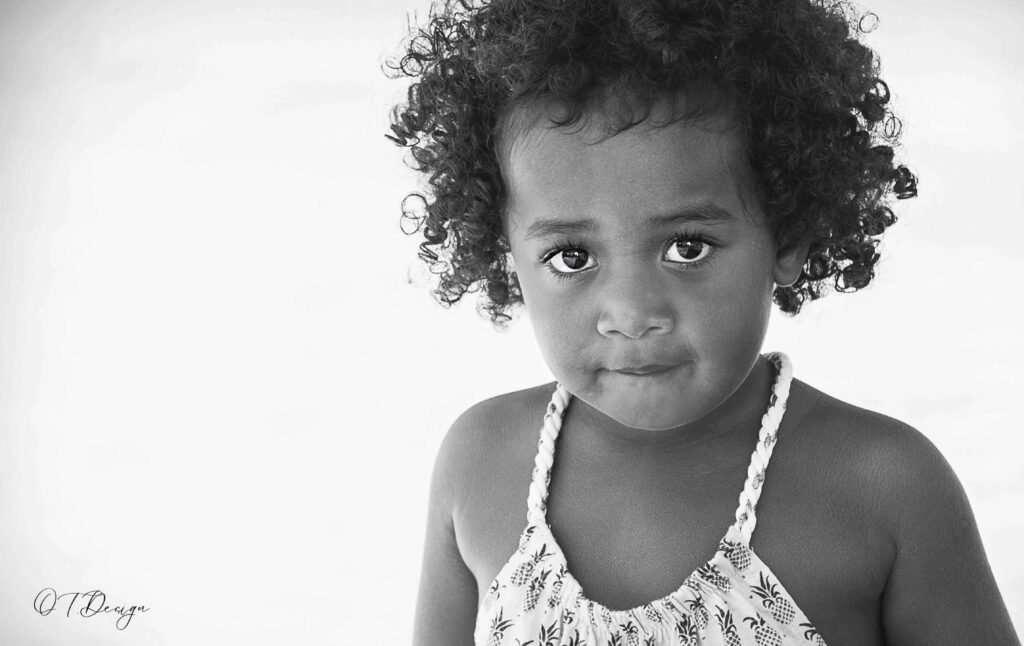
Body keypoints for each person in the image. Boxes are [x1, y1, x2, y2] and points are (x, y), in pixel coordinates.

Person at [385, 1, 1020, 644]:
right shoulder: (482, 462)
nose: (632, 315)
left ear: (788, 235)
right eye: (571, 257)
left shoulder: (884, 485)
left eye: (687, 247)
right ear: (507, 255)